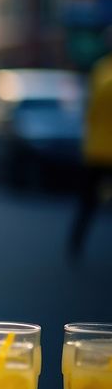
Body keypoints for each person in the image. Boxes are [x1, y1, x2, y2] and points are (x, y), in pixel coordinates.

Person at [68, 27, 112, 261]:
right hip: (99, 148)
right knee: (88, 202)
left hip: (96, 148)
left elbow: (89, 110)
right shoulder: (103, 71)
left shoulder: (101, 70)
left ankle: (75, 244)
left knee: (88, 203)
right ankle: (75, 244)